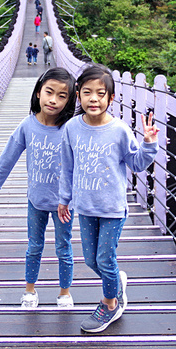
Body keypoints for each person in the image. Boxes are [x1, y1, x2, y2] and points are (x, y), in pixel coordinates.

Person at [58, 65, 158, 333]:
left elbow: (136, 164)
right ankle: (117, 284)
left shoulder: (120, 130)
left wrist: (148, 144)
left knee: (104, 259)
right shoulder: (71, 129)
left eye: (100, 94)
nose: (94, 99)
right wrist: (63, 199)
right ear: (78, 95)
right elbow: (67, 167)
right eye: (87, 93)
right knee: (91, 261)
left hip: (113, 208)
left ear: (110, 98)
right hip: (85, 207)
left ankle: (110, 304)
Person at [0, 68, 78, 309]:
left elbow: (86, 163)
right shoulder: (27, 125)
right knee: (34, 246)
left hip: (64, 203)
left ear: (70, 101)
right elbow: (8, 156)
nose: (53, 100)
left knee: (63, 247)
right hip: (36, 200)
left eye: (62, 96)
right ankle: (30, 290)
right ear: (38, 93)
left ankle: (64, 293)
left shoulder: (72, 128)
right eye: (49, 92)